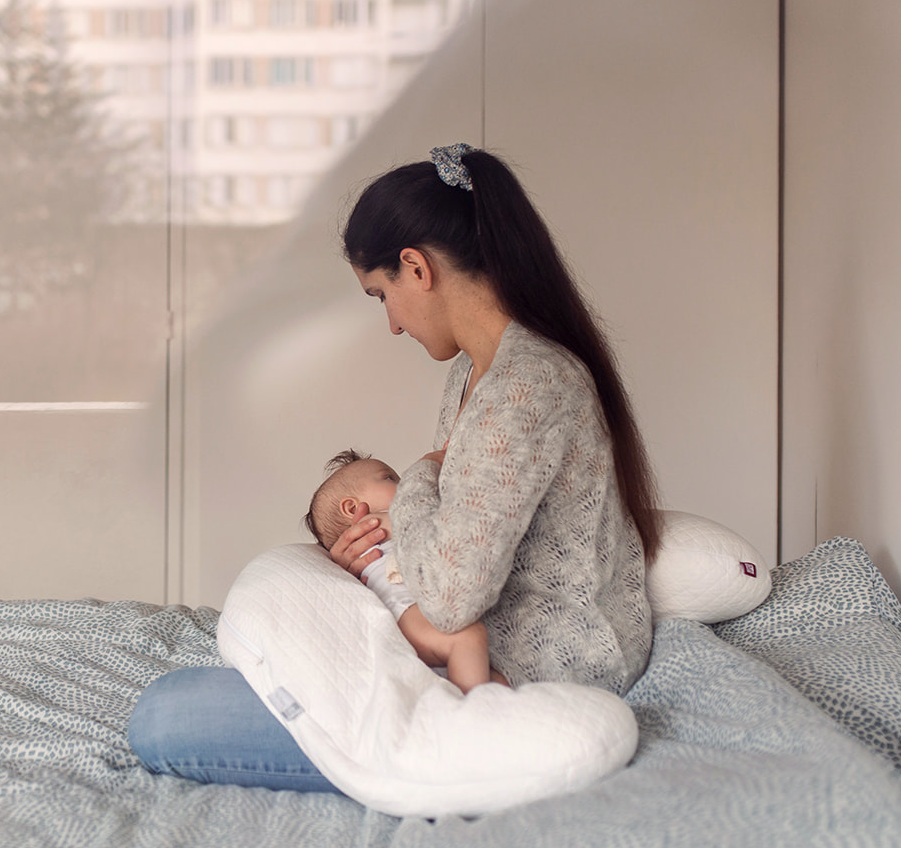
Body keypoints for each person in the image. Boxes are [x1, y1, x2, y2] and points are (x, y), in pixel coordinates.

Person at [128, 143, 659, 794]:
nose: (391, 324)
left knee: (167, 713)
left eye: (382, 294)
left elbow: (451, 594)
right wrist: (380, 558)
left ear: (416, 267)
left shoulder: (526, 386)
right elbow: (457, 535)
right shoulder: (474, 370)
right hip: (474, 643)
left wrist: (409, 488)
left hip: (532, 667)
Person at [304, 449, 502, 693]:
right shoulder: (377, 523)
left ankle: (474, 699)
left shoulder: (381, 529)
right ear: (352, 508)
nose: (403, 483)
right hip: (406, 610)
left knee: (498, 679)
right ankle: (467, 714)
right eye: (389, 478)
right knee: (468, 637)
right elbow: (436, 522)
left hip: (410, 616)